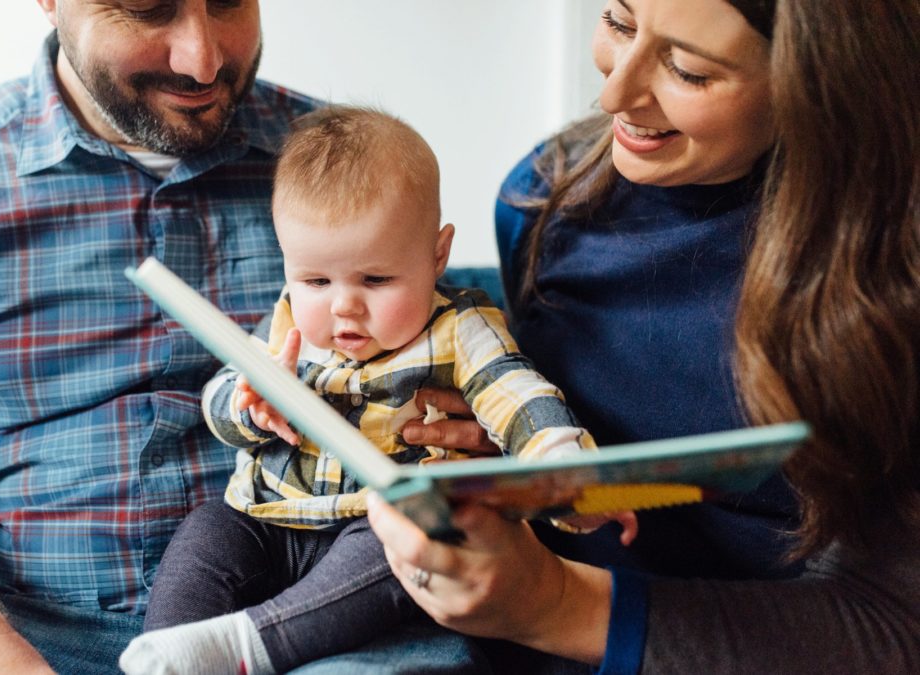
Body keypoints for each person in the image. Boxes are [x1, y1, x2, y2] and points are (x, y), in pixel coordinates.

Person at [0, 4, 482, 674]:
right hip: (32, 639)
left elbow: (475, 369)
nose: (201, 61)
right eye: (148, 8)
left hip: (331, 630)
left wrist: (483, 448)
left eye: (231, 1)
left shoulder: (353, 172)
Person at [369, 0, 920, 671]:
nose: (612, 93)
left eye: (689, 71)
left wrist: (555, 603)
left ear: (820, 85)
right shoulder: (542, 194)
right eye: (619, 22)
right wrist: (516, 441)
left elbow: (892, 627)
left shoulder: (891, 291)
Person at [119, 106, 632, 675]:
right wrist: (247, 408)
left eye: (375, 279)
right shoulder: (289, 322)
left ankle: (250, 646)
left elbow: (519, 396)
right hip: (268, 515)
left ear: (437, 255)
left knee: (411, 551)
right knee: (206, 531)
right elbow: (218, 396)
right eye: (316, 280)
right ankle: (169, 650)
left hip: (378, 527)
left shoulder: (458, 329)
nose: (344, 306)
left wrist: (569, 477)